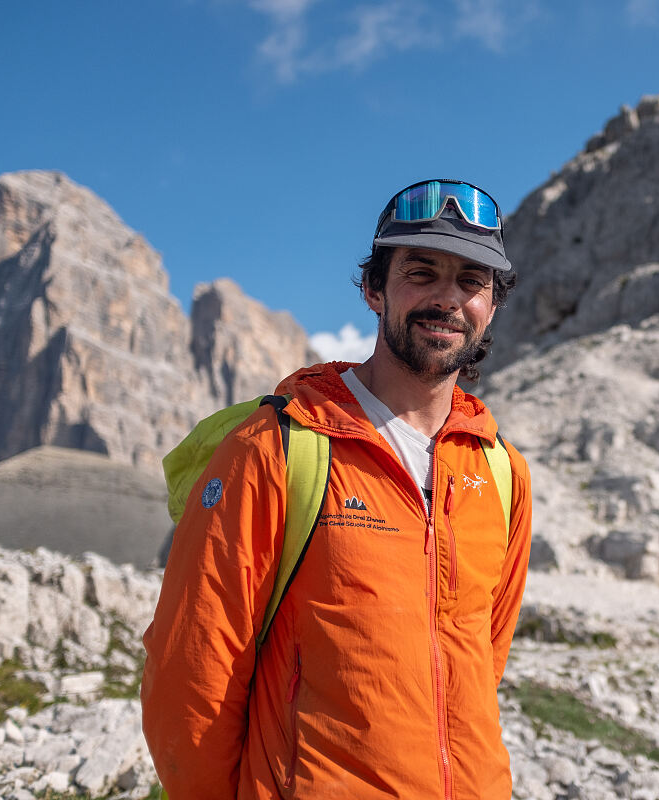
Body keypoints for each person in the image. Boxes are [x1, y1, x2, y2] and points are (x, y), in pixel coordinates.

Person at [142, 179, 532, 799]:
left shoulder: (503, 471)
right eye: (421, 272)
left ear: (493, 304)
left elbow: (483, 667)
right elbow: (192, 680)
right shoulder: (275, 447)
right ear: (374, 289)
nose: (446, 299)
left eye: (471, 281)